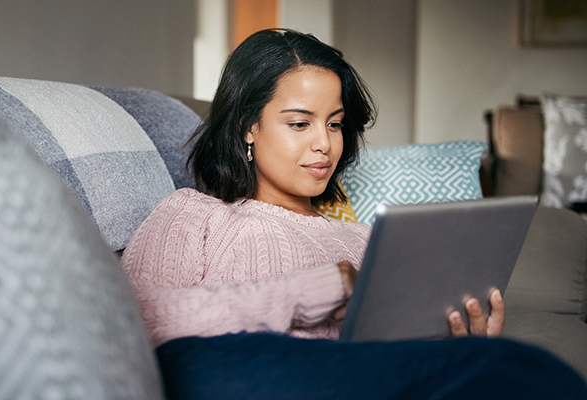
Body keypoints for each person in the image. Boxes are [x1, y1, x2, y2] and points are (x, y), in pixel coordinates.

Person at [122, 29, 587, 399]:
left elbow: (393, 364)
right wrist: (315, 289)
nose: (325, 143)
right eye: (300, 123)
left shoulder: (368, 242)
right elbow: (132, 322)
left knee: (512, 367)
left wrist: (460, 341)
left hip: (354, 379)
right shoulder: (191, 213)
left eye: (336, 123)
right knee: (521, 368)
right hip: (229, 367)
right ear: (249, 126)